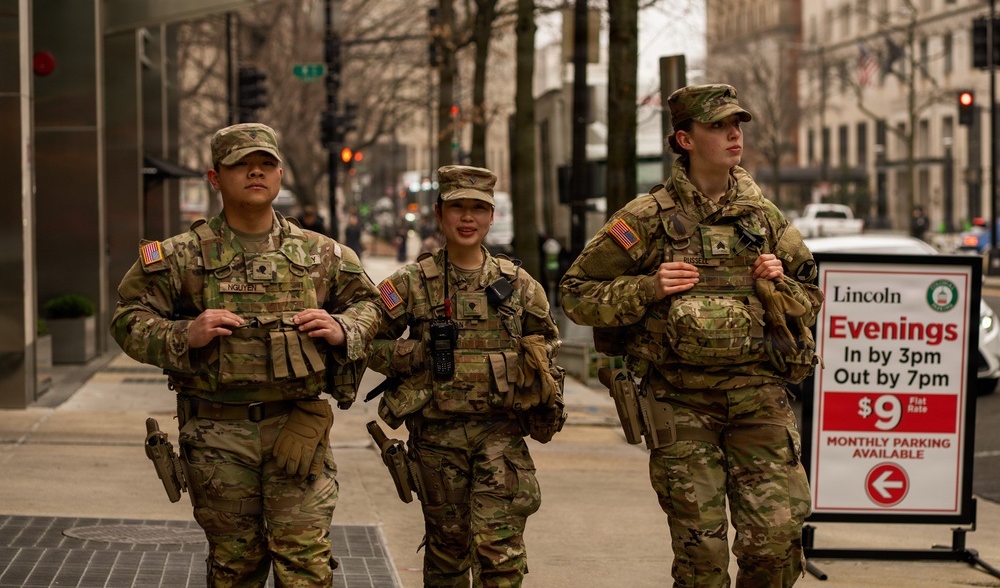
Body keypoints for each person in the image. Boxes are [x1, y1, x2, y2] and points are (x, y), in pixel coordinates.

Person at [560, 84, 823, 588]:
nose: (733, 134)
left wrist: (780, 285)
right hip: (680, 403)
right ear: (684, 138)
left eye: (737, 125)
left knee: (775, 542)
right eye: (719, 125)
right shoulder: (645, 219)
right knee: (701, 557)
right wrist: (646, 287)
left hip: (758, 400)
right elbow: (576, 292)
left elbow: (811, 296)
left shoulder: (763, 217)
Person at [110, 123, 382, 587]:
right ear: (215, 178)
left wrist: (343, 327)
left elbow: (372, 304)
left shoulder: (321, 254)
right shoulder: (179, 256)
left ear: (279, 176)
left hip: (297, 429)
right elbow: (127, 317)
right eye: (240, 164)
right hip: (217, 436)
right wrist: (182, 335)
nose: (255, 171)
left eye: (266, 164)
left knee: (307, 568)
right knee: (235, 568)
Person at [365, 165, 564, 587]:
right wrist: (417, 354)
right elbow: (366, 340)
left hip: (501, 438)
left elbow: (547, 346)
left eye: (478, 208)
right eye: (458, 208)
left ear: (491, 217)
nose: (468, 218)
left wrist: (532, 372)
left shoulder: (520, 285)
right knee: (447, 553)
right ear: (439, 214)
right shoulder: (411, 283)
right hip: (437, 442)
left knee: (501, 555)